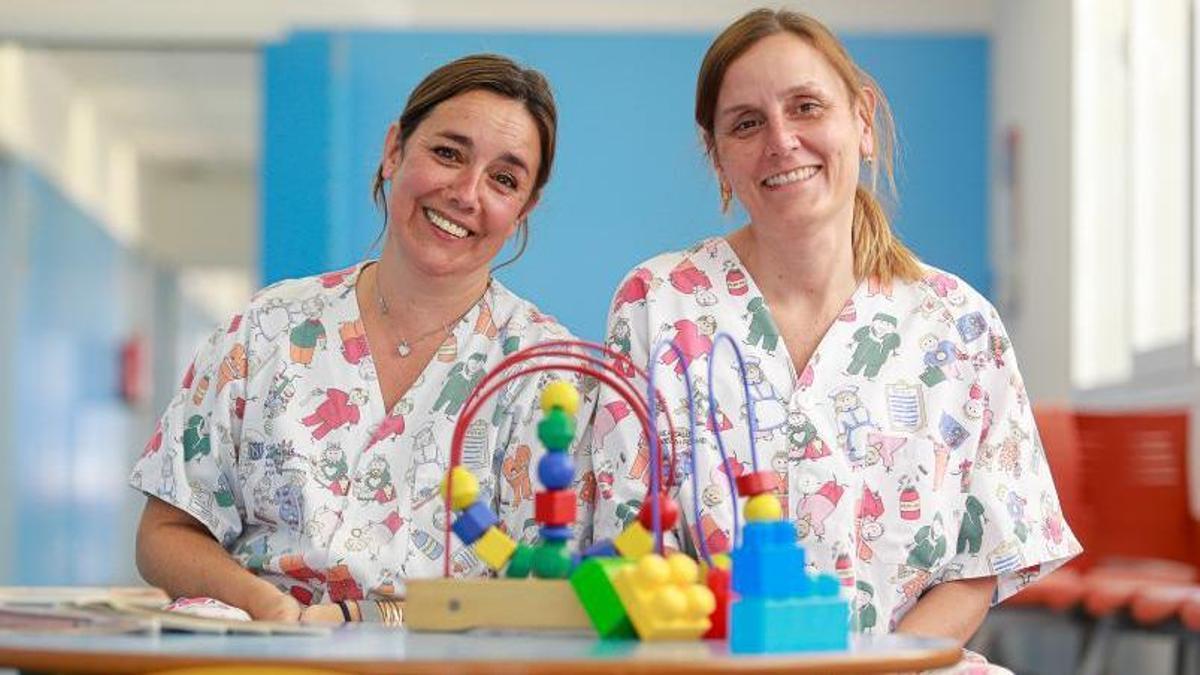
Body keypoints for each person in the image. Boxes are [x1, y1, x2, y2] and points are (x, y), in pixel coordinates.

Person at [585, 7, 1080, 656]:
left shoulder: (960, 327)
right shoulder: (657, 305)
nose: (781, 140)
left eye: (807, 107)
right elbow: (631, 545)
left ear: (863, 122)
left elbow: (975, 568)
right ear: (719, 159)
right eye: (747, 123)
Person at [130, 54, 593, 624]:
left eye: (504, 179)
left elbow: (547, 598)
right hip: (262, 657)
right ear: (394, 149)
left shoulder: (547, 376)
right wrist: (266, 605)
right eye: (448, 153)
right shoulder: (268, 327)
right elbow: (166, 532)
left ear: (525, 207)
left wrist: (358, 619)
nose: (467, 193)